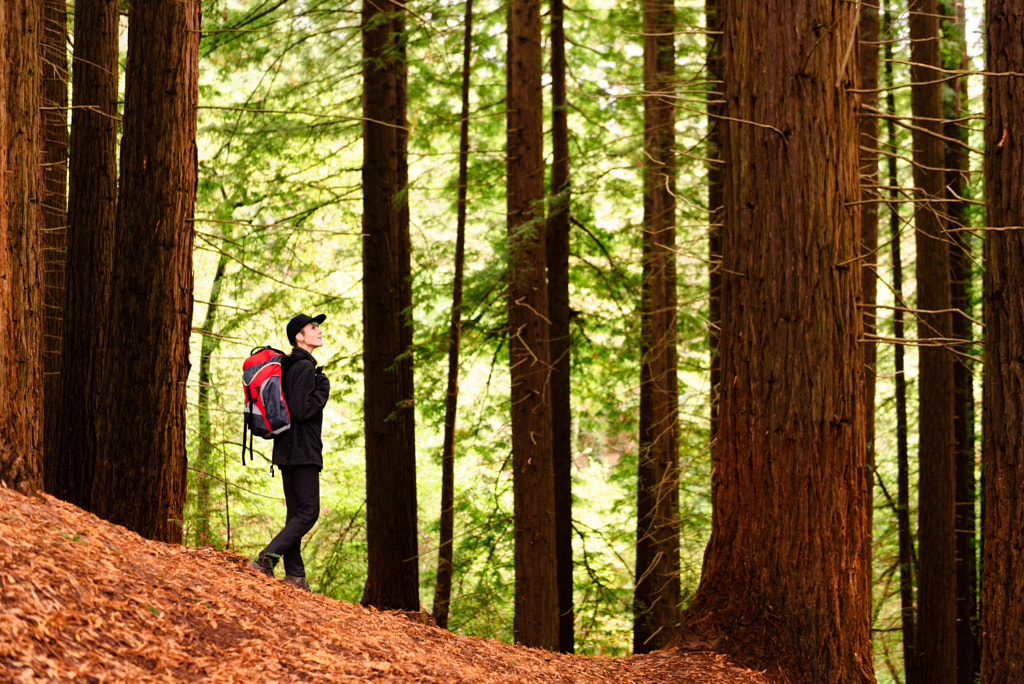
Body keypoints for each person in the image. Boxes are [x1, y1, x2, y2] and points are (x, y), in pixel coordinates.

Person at [249, 313, 330, 591]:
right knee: (309, 512)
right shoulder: (304, 367)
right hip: (302, 451)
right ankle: (265, 561)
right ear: (299, 336)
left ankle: (295, 576)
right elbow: (302, 409)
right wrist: (323, 388)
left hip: (286, 450)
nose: (318, 331)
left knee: (296, 512)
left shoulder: (290, 365)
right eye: (313, 327)